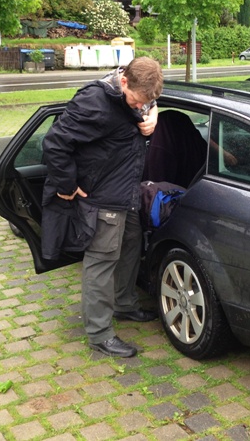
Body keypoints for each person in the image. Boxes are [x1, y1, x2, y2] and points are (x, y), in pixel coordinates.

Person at [41, 57, 164, 358]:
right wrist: (68, 185)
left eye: (145, 103)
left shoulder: (140, 89)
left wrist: (154, 114)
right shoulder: (95, 102)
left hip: (126, 192)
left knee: (131, 246)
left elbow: (147, 102)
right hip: (101, 196)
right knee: (101, 261)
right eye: (137, 102)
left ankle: (124, 305)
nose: (139, 107)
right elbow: (54, 143)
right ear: (124, 82)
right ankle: (99, 333)